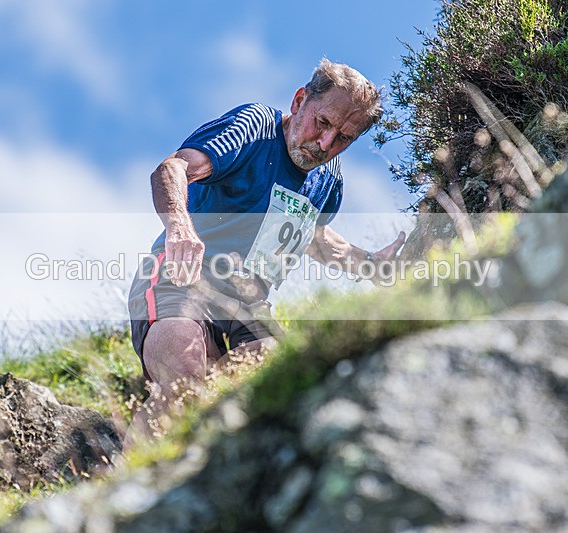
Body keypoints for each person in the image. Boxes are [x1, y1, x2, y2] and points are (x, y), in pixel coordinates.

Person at [126, 59, 406, 445]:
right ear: (299, 101)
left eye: (344, 137)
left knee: (279, 386)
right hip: (180, 280)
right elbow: (172, 169)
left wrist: (371, 265)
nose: (325, 144)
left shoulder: (330, 182)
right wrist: (179, 227)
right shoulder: (254, 127)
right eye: (322, 123)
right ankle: (122, 481)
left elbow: (313, 237)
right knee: (187, 376)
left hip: (248, 306)